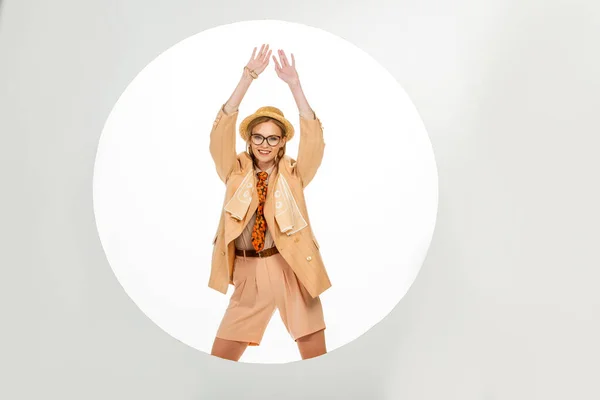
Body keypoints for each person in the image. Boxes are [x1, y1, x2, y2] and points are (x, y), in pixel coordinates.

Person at [207, 44, 332, 361]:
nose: (264, 144)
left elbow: (314, 141)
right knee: (221, 357)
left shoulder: (294, 173)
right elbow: (220, 132)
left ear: (282, 144)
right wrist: (247, 77)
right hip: (249, 270)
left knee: (315, 355)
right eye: (258, 137)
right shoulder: (234, 170)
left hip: (289, 265)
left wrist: (295, 85)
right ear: (249, 140)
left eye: (272, 138)